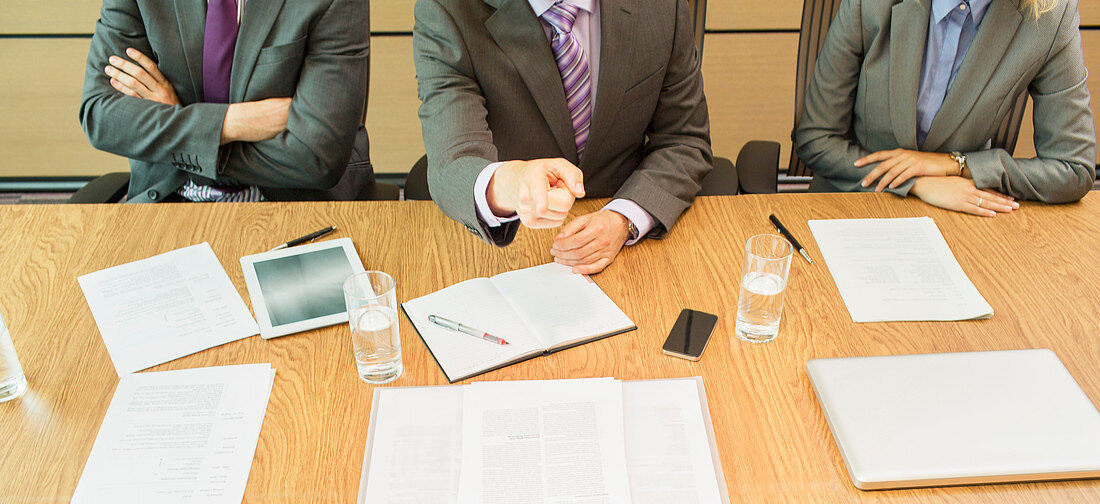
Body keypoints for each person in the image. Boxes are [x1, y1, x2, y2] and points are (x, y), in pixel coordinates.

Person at [413, 0, 713, 274]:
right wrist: (512, 185)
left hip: (631, 248)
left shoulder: (662, 7)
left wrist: (624, 217)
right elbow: (452, 163)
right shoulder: (448, 8)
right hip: (511, 254)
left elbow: (684, 140)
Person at [795, 0, 1095, 217]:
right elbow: (815, 138)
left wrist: (956, 165)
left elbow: (1073, 169)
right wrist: (916, 182)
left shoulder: (1053, 14)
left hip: (958, 217)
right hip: (849, 204)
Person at [79, 0, 376, 203]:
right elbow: (101, 114)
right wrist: (233, 123)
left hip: (296, 204)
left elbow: (315, 157)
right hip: (169, 198)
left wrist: (177, 127)